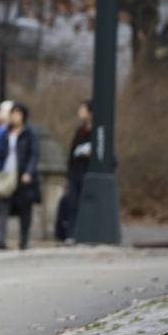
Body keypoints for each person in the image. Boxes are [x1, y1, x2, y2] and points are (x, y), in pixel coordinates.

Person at [0, 102, 41, 250]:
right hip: (6, 173)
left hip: (22, 174)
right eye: (12, 113)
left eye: (17, 113)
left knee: (24, 209)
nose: (14, 116)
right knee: (2, 204)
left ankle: (24, 239)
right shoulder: (6, 133)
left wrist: (28, 172)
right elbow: (1, 152)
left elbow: (34, 155)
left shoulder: (30, 133)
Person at [55, 100, 93, 243]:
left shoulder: (98, 131)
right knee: (72, 203)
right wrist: (69, 175)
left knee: (86, 205)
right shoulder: (80, 130)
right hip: (76, 173)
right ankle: (71, 234)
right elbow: (72, 153)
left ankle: (85, 233)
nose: (80, 112)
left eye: (82, 109)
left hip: (88, 173)